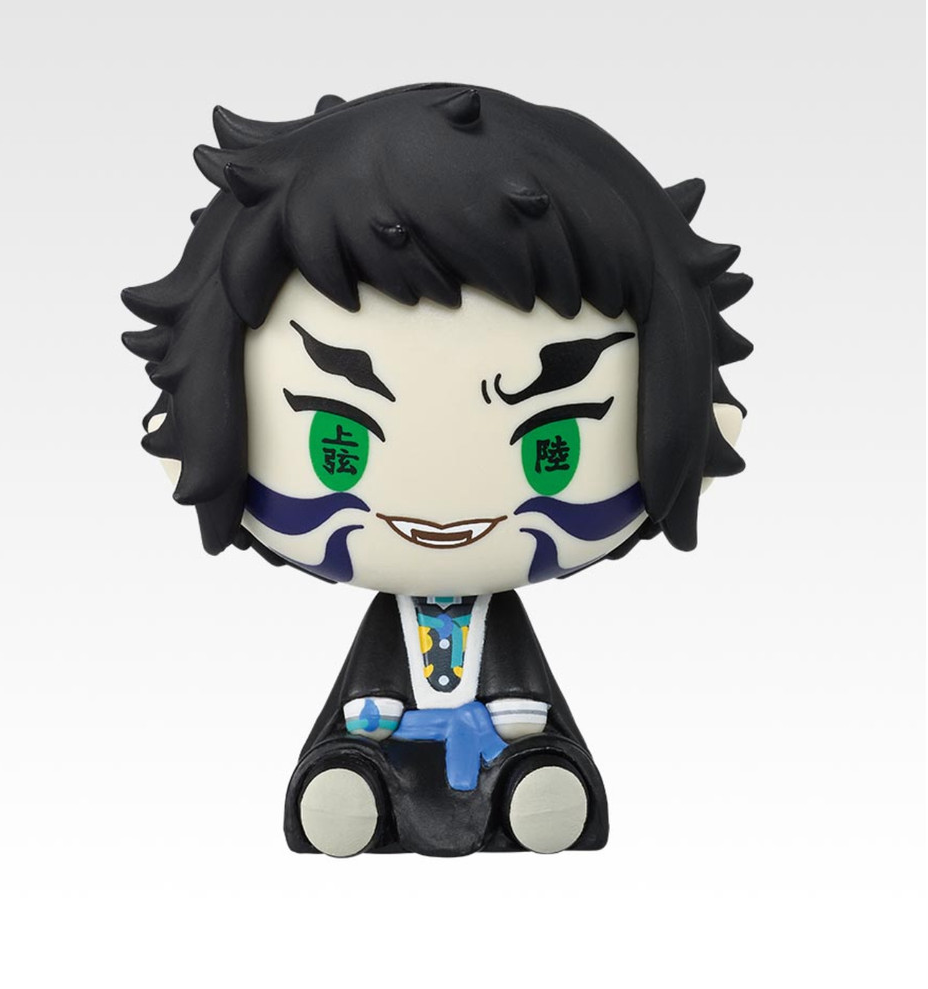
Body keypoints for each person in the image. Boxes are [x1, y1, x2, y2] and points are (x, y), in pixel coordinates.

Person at [122, 83, 752, 856]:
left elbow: (520, 690)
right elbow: (369, 692)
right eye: (338, 440)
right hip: (390, 734)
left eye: (549, 447)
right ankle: (355, 781)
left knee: (533, 746)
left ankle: (531, 779)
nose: (443, 510)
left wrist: (516, 717)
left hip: (499, 736)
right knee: (353, 750)